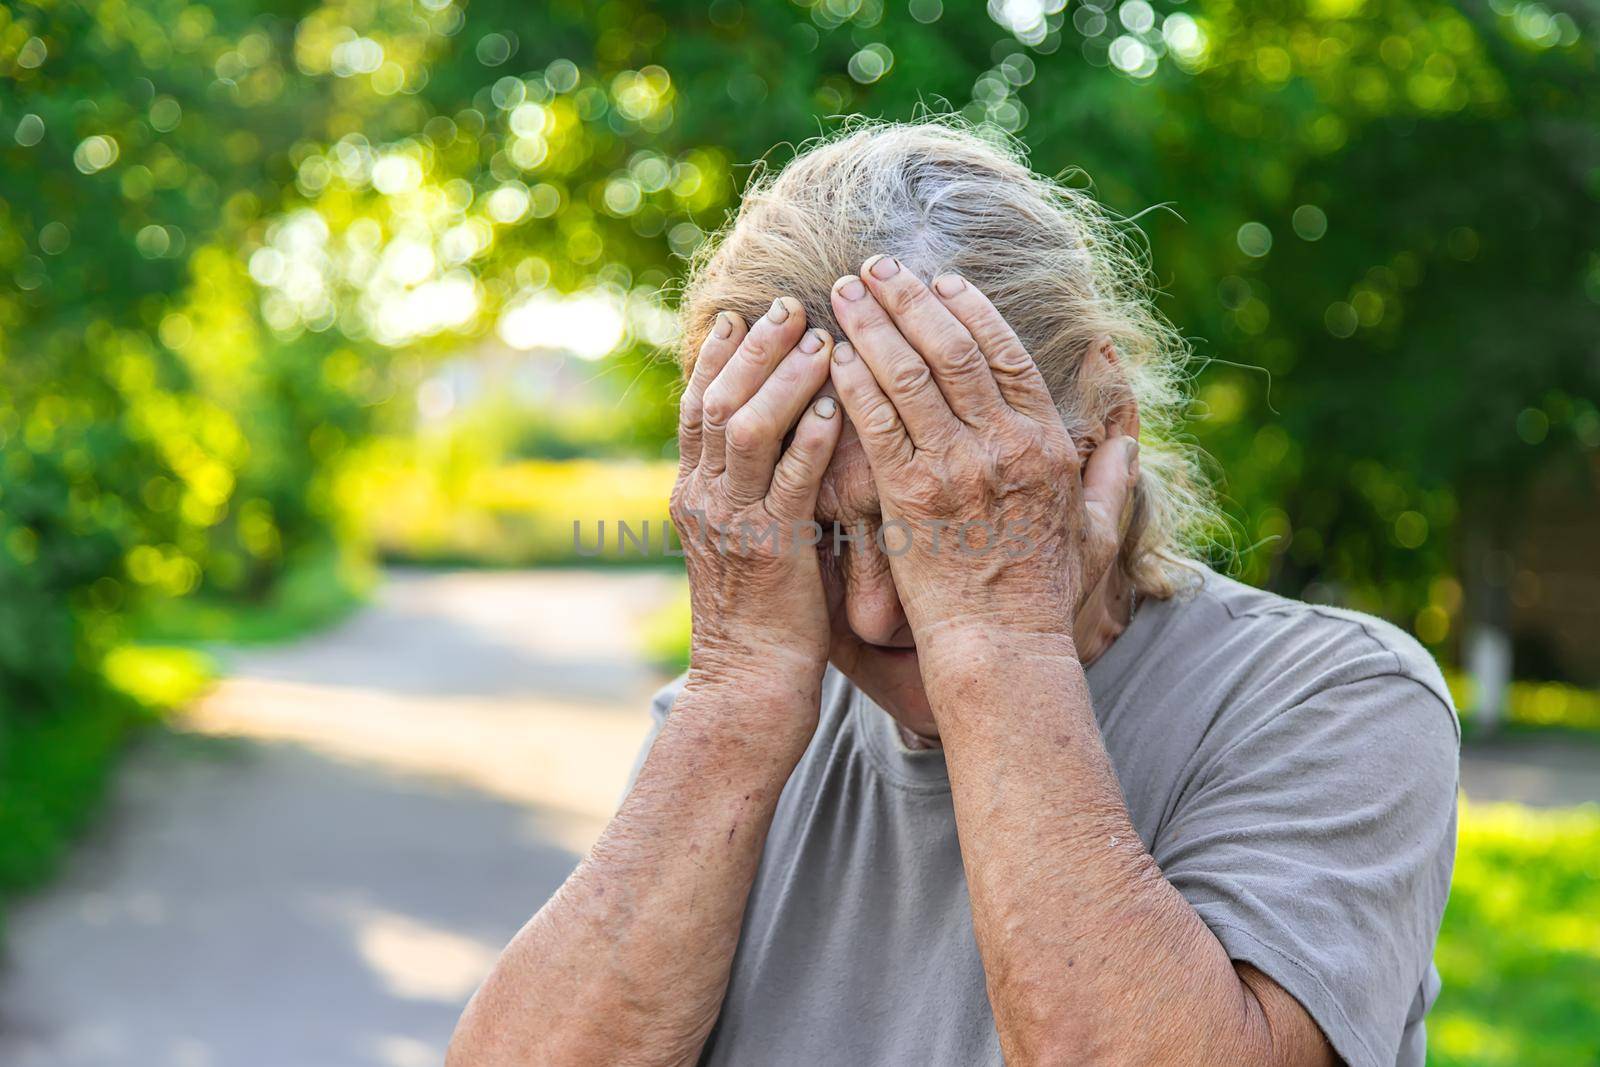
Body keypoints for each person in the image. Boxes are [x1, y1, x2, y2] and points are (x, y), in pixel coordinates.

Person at [447, 121, 1459, 1067]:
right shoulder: (739, 726)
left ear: (1103, 426)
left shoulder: (1333, 699)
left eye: (941, 520)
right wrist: (732, 697)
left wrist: (1000, 641)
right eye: (827, 535)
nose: (879, 611)